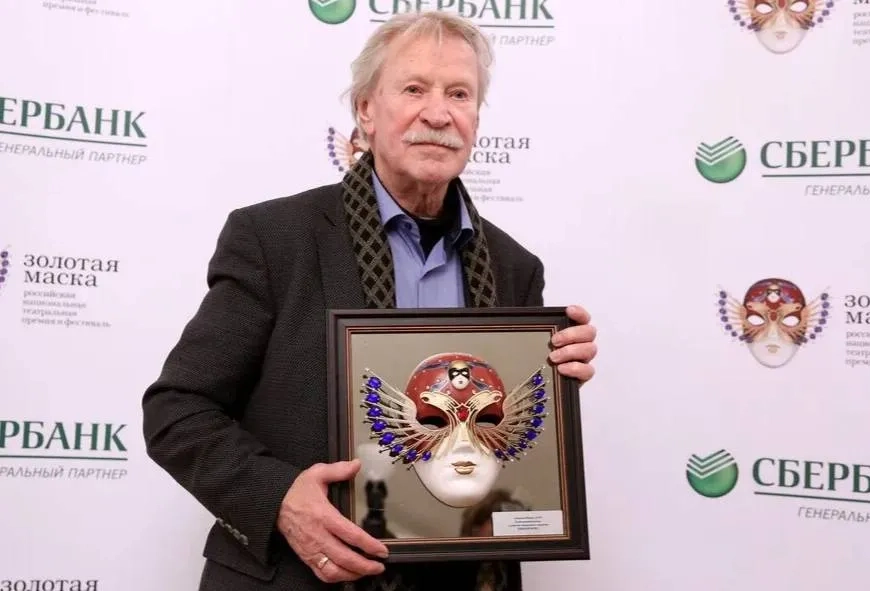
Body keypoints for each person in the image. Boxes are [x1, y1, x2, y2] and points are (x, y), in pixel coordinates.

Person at [141, 10, 597, 591]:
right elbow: (178, 411)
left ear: (476, 119)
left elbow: (502, 447)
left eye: (459, 94)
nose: (439, 114)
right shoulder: (275, 239)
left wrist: (553, 379)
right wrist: (280, 498)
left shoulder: (514, 268)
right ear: (365, 111)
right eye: (414, 89)